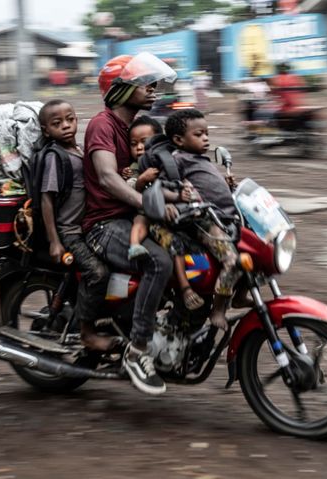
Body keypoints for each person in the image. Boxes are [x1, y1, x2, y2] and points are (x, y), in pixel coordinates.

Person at [82, 53, 178, 395]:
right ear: (120, 89)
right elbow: (108, 179)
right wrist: (148, 204)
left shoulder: (140, 128)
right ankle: (138, 350)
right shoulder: (102, 125)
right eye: (144, 83)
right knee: (158, 261)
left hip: (127, 218)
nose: (152, 89)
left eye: (153, 83)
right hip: (103, 225)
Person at [36, 99, 117, 352]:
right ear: (46, 130)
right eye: (57, 123)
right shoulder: (55, 157)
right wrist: (55, 241)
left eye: (70, 119)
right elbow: (46, 199)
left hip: (87, 227)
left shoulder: (80, 151)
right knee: (98, 273)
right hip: (69, 232)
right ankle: (87, 333)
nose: (66, 126)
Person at [164, 109, 242, 331]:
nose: (206, 138)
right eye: (199, 134)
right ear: (179, 140)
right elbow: (169, 187)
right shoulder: (176, 161)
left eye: (207, 133)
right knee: (233, 261)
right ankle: (218, 309)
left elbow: (208, 186)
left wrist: (228, 186)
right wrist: (175, 197)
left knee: (255, 255)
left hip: (225, 216)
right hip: (204, 222)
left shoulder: (200, 159)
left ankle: (241, 294)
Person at [122, 115, 205, 311]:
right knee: (173, 244)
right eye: (134, 144)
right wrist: (142, 179)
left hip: (176, 217)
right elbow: (131, 190)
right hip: (151, 218)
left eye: (145, 142)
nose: (139, 148)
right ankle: (185, 289)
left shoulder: (171, 164)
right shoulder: (134, 169)